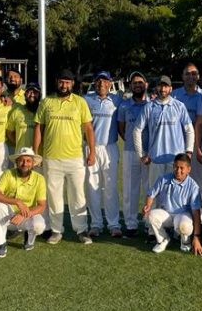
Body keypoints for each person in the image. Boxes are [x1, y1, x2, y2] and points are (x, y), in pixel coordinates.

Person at [33, 69, 96, 244]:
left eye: (67, 82)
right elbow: (39, 128)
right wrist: (35, 153)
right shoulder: (46, 102)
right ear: (57, 82)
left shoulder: (80, 102)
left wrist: (92, 151)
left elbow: (88, 128)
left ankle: (81, 230)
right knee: (54, 196)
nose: (64, 85)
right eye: (61, 81)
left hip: (75, 158)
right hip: (51, 158)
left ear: (72, 84)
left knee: (78, 196)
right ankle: (56, 230)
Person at [135, 75, 194, 187]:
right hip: (156, 160)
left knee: (175, 196)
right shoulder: (149, 107)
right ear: (156, 88)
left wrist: (189, 152)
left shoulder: (179, 106)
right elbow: (137, 130)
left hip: (176, 161)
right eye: (160, 86)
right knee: (154, 197)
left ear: (170, 88)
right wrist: (141, 154)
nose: (163, 89)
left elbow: (189, 130)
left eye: (166, 86)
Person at [141, 153, 202, 255]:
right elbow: (151, 195)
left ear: (189, 169)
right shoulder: (163, 178)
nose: (178, 171)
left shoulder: (193, 186)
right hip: (167, 214)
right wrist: (147, 206)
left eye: (182, 168)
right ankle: (163, 239)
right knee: (151, 215)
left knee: (185, 225)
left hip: (183, 215)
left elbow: (196, 213)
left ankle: (185, 240)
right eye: (176, 167)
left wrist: (197, 237)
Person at [0, 147, 49, 254]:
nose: (24, 164)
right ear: (17, 162)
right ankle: (1, 244)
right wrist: (17, 202)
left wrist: (24, 214)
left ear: (33, 164)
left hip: (26, 215)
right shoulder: (8, 173)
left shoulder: (39, 179)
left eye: (28, 161)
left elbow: (41, 206)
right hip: (8, 214)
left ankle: (29, 239)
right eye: (21, 160)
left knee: (39, 226)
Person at [84, 71, 121, 237]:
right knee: (92, 187)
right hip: (91, 148)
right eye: (98, 81)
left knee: (111, 187)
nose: (101, 84)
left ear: (110, 83)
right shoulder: (86, 99)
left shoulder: (117, 100)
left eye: (105, 81)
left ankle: (114, 224)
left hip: (110, 147)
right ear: (94, 82)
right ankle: (96, 224)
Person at [118, 71, 150, 237]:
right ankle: (131, 224)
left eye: (140, 82)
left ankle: (148, 222)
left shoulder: (152, 104)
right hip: (131, 151)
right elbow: (121, 129)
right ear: (131, 86)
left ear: (146, 85)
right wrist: (132, 143)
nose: (137, 85)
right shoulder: (124, 105)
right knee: (130, 189)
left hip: (150, 153)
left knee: (149, 188)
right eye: (134, 83)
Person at [172, 62, 202, 187]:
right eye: (187, 74)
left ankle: (199, 206)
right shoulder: (174, 95)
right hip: (177, 143)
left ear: (198, 76)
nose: (190, 76)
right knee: (178, 180)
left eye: (194, 73)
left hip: (198, 144)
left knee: (199, 181)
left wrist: (198, 147)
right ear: (182, 76)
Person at [6, 83, 41, 155]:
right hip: (21, 155)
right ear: (24, 95)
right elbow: (9, 133)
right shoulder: (17, 111)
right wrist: (19, 143)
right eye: (29, 92)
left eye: (35, 92)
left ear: (39, 95)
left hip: (39, 156)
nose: (32, 94)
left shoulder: (43, 111)